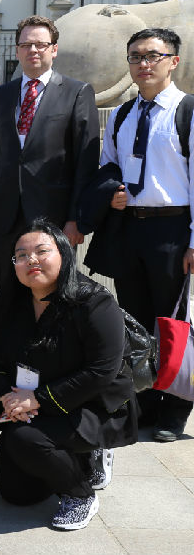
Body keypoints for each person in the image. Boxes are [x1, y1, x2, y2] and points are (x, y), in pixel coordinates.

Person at [0, 220, 137, 530]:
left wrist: (37, 399)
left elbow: (102, 371)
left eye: (41, 251)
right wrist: (7, 397)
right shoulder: (8, 300)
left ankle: (80, 493)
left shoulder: (94, 302)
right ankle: (72, 460)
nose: (31, 260)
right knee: (16, 493)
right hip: (24, 397)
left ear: (63, 254)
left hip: (91, 403)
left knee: (26, 439)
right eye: (21, 255)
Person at [97, 28, 193, 443]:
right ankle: (147, 399)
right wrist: (111, 194)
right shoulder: (122, 114)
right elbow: (108, 165)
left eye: (153, 55)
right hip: (130, 227)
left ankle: (176, 407)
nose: (143, 63)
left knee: (173, 321)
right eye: (135, 56)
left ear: (173, 61)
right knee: (135, 320)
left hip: (173, 228)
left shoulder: (187, 111)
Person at [0, 15, 99, 287]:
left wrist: (75, 218)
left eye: (40, 44)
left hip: (55, 214)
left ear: (54, 49)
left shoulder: (77, 92)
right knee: (8, 284)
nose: (32, 50)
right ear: (16, 50)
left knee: (52, 288)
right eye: (25, 45)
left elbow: (85, 162)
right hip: (7, 214)